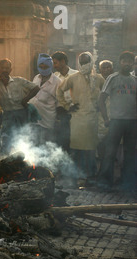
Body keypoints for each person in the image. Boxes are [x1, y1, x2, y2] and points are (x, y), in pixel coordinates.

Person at [56, 52, 105, 184]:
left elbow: (106, 94)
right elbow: (59, 91)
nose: (85, 65)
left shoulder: (99, 78)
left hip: (93, 119)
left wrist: (102, 106)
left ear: (92, 61)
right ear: (78, 63)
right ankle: (75, 176)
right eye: (82, 62)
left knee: (91, 150)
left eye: (87, 61)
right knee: (76, 149)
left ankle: (90, 176)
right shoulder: (73, 78)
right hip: (77, 119)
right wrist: (67, 106)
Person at [0, 58, 39, 154]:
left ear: (11, 70)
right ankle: (6, 159)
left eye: (7, 68)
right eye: (2, 68)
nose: (5, 70)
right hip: (8, 114)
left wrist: (26, 99)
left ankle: (26, 158)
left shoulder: (18, 80)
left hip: (22, 112)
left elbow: (36, 88)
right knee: (6, 137)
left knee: (24, 137)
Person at [97, 51, 136, 191]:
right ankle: (105, 182)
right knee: (110, 152)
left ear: (133, 64)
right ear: (120, 62)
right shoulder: (113, 78)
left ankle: (128, 182)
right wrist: (106, 118)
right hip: (116, 121)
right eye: (124, 61)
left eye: (129, 61)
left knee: (131, 153)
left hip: (132, 122)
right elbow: (101, 100)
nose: (127, 63)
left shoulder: (134, 80)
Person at [28, 53, 62, 145]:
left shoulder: (57, 82)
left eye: (45, 67)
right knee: (33, 147)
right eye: (41, 66)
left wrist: (58, 121)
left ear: (50, 66)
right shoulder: (36, 78)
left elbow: (60, 103)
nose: (43, 69)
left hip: (46, 122)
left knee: (45, 148)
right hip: (33, 121)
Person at [52, 51, 78, 152]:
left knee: (75, 139)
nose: (54, 66)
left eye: (55, 63)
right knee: (63, 140)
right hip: (61, 111)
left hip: (74, 111)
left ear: (63, 62)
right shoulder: (55, 76)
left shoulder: (75, 74)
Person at [97, 60, 115, 163]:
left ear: (112, 69)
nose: (106, 69)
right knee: (100, 144)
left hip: (114, 117)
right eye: (104, 68)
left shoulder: (115, 80)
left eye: (108, 67)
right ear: (100, 70)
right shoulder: (96, 81)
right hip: (100, 119)